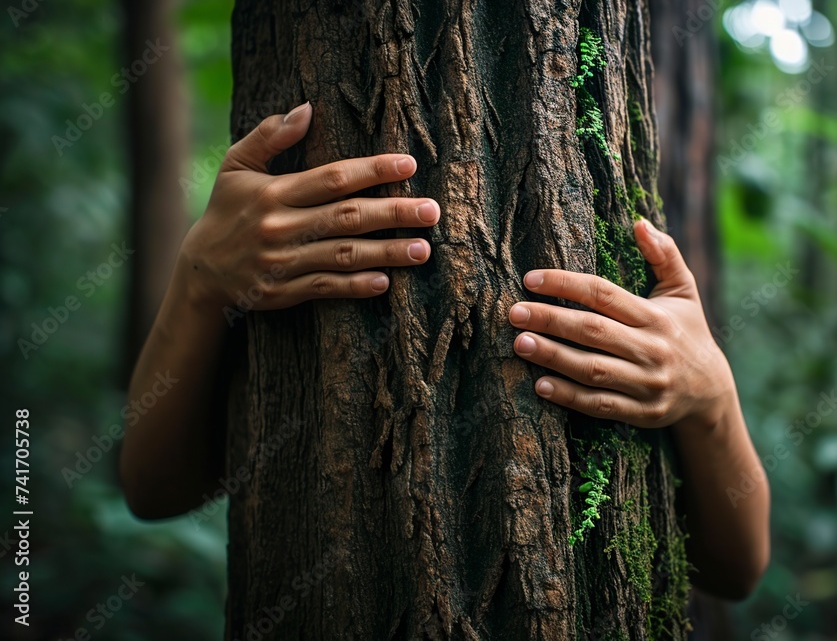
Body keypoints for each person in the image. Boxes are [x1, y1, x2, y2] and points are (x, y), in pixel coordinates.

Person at [119, 101, 770, 600]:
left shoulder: (633, 175)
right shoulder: (266, 243)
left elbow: (734, 568)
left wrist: (712, 397)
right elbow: (155, 489)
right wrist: (198, 285)